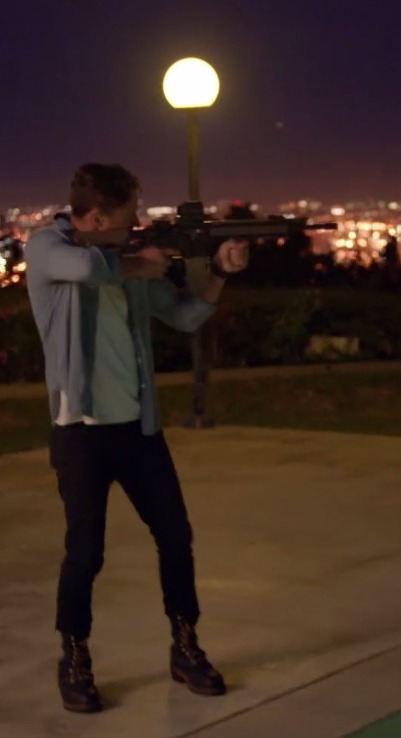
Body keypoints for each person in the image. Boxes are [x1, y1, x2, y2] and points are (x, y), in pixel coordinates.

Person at [24, 162, 248, 713]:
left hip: (137, 429)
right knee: (85, 552)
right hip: (80, 433)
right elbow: (85, 267)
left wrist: (219, 271)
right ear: (98, 218)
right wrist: (140, 263)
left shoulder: (129, 262)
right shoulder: (47, 246)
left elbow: (188, 316)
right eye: (128, 217)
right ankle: (74, 658)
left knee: (175, 536)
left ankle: (186, 647)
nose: (137, 224)